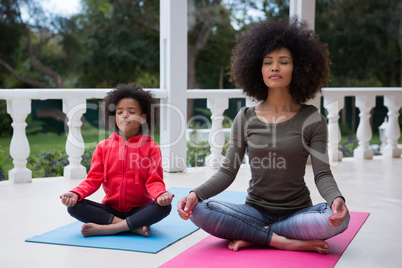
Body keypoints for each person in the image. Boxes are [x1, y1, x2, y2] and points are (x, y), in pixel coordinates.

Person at [177, 17, 350, 254]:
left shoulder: (313, 119)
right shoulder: (245, 117)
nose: (275, 68)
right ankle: (281, 241)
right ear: (258, 69)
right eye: (268, 62)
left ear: (298, 68)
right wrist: (195, 193)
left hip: (298, 213)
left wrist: (336, 199)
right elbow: (228, 171)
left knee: (341, 218)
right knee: (200, 209)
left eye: (283, 62)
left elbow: (322, 174)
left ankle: (254, 234)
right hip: (255, 210)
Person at [60, 83, 174, 237]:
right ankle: (132, 227)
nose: (125, 115)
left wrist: (160, 195)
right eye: (120, 112)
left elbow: (154, 182)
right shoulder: (103, 147)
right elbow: (93, 180)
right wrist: (76, 193)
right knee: (74, 207)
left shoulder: (151, 147)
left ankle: (109, 228)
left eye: (131, 111)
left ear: (143, 118)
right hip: (111, 210)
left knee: (164, 207)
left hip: (139, 210)